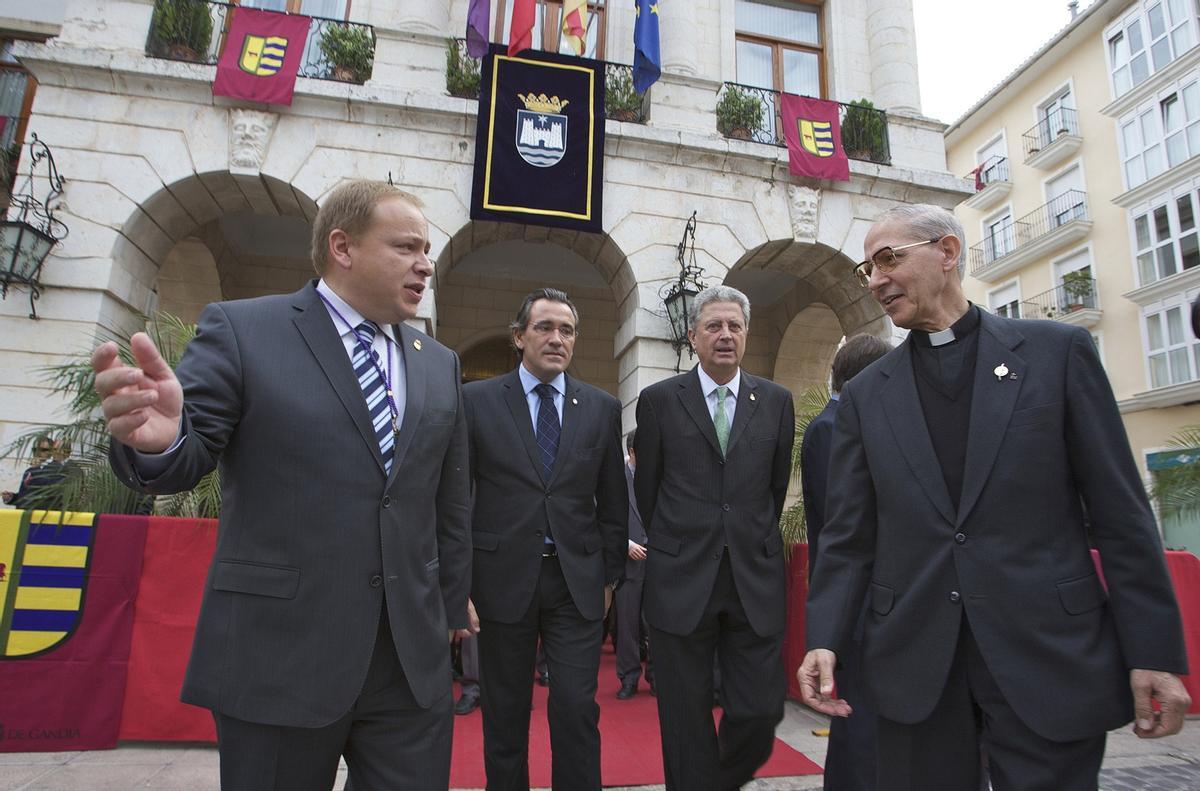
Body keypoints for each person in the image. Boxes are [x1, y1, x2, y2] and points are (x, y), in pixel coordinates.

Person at [92, 180, 471, 791]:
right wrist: (162, 441)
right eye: (405, 247)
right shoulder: (245, 330)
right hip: (280, 655)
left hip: (408, 661)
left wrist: (453, 604)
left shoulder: (438, 360)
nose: (425, 263)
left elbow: (448, 499)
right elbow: (192, 450)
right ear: (342, 247)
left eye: (426, 248)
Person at [800, 204, 1190, 790]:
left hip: (1046, 658)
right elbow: (849, 537)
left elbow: (1121, 514)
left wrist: (1155, 651)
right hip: (917, 669)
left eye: (889, 259)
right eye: (868, 269)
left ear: (948, 253)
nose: (876, 279)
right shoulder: (865, 397)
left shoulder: (1057, 355)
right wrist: (825, 638)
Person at [464, 287, 627, 791]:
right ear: (519, 337)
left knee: (577, 706)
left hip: (575, 584)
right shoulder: (476, 401)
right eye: (544, 327)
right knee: (505, 712)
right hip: (500, 581)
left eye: (568, 330)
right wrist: (458, 581)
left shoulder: (601, 408)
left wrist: (610, 580)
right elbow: (453, 498)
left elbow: (614, 504)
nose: (557, 338)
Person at [634, 285, 796, 791]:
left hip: (753, 577)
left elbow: (772, 487)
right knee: (684, 718)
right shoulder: (659, 401)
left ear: (746, 334)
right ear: (693, 336)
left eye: (734, 326)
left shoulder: (776, 401)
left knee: (757, 711)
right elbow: (648, 489)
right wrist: (681, 540)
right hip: (682, 577)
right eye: (714, 326)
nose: (725, 335)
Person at [799, 333, 890, 791]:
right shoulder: (830, 428)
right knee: (857, 726)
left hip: (874, 599)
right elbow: (844, 521)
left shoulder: (849, 423)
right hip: (855, 600)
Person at [615, 428, 653, 699]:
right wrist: (625, 544)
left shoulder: (658, 476)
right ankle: (628, 677)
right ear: (632, 452)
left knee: (655, 623)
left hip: (656, 562)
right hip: (627, 562)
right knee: (627, 625)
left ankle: (656, 675)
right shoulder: (615, 478)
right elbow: (603, 515)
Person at [2, 434, 64, 509]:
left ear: (51, 452)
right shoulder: (30, 471)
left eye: (43, 450)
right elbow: (26, 496)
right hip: (24, 516)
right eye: (35, 449)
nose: (38, 453)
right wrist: (12, 497)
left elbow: (45, 491)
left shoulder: (57, 469)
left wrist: (35, 469)